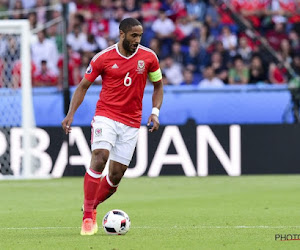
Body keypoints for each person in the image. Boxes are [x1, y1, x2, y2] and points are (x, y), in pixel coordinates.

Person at [61, 18, 164, 236]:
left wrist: (154, 112)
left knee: (116, 175)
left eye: (140, 36)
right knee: (100, 156)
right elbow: (83, 86)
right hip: (106, 115)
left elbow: (158, 86)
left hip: (131, 122)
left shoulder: (149, 58)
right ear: (122, 34)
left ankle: (91, 204)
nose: (137, 40)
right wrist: (70, 114)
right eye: (133, 35)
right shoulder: (103, 57)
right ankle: (88, 216)